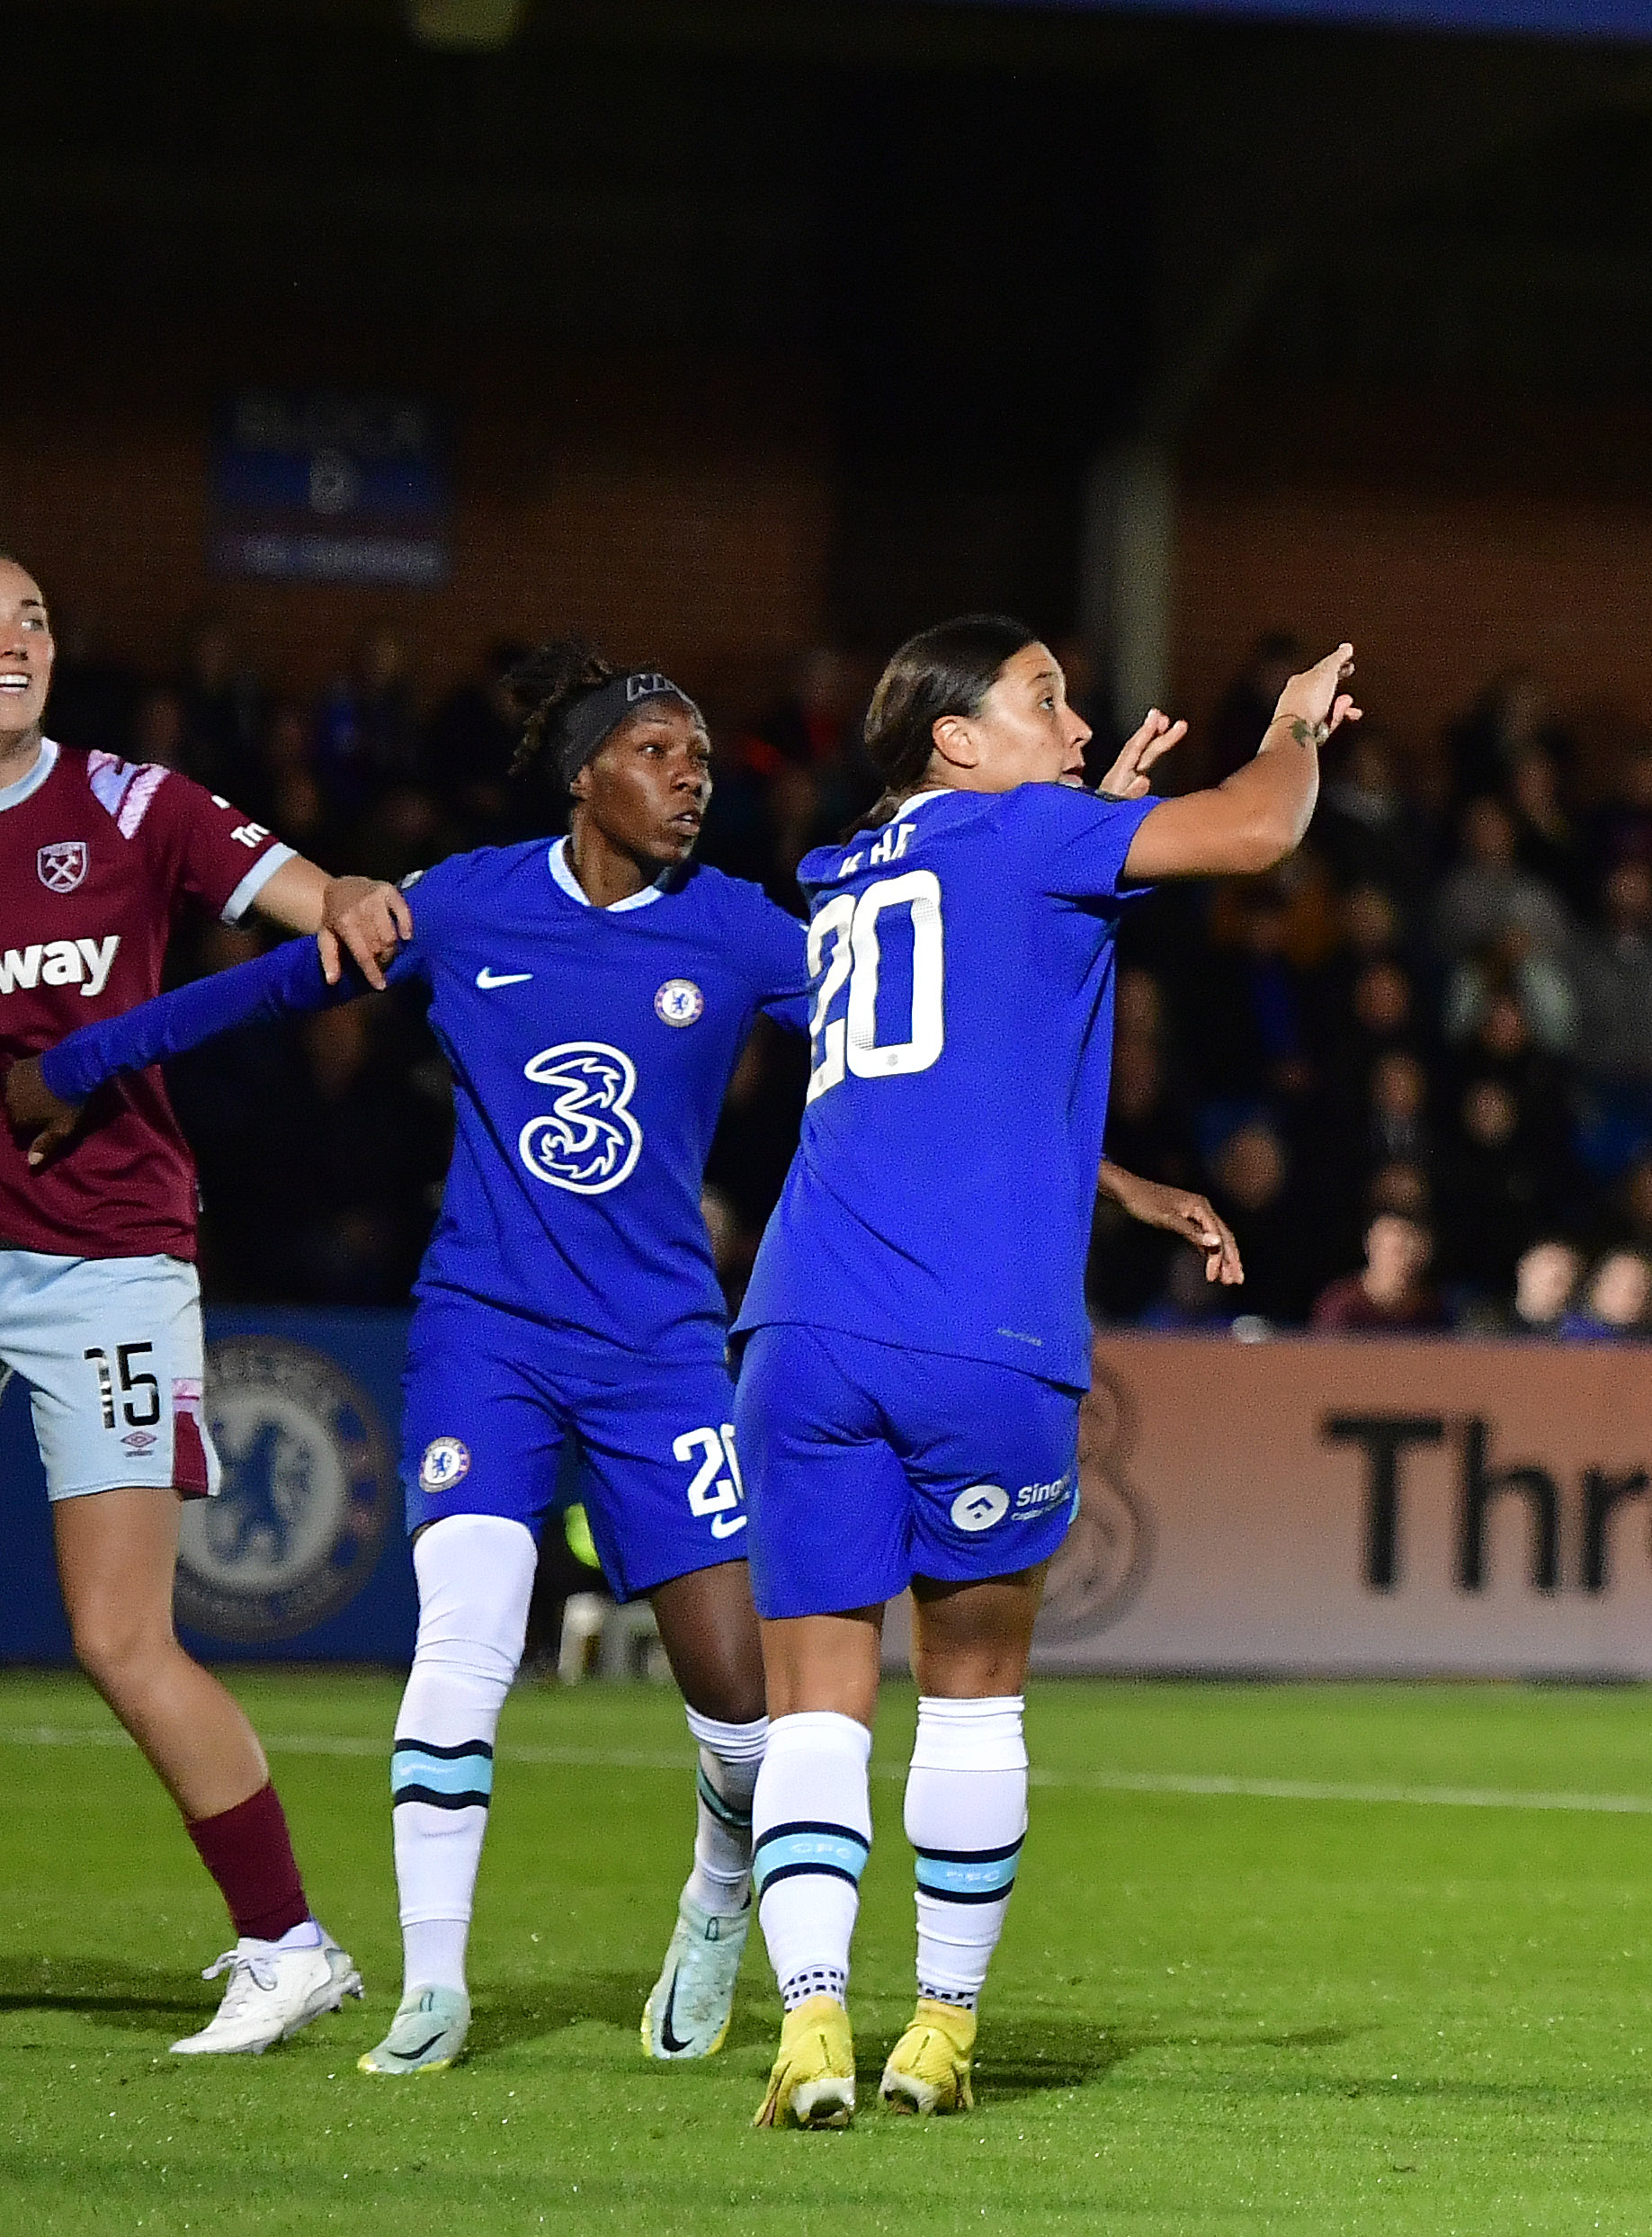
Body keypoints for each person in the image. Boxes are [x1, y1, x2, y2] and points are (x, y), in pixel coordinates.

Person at [21, 640, 1240, 2074]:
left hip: (663, 1348)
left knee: (738, 1702)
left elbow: (921, 1053)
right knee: (462, 1644)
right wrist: (83, 1061)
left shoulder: (735, 929)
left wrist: (1122, 1183)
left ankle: (724, 1883)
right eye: (660, 755)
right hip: (485, 1335)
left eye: (703, 764)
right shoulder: (470, 902)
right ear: (584, 774)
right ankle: (431, 1987)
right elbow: (281, 986)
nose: (689, 780)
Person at [734, 618, 1355, 2129]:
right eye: (1045, 701)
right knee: (971, 1698)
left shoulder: (843, 878)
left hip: (800, 1328)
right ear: (957, 739)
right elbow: (1266, 828)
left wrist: (1122, 1177)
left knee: (816, 1704)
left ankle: (809, 2024)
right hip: (980, 1340)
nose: (1078, 723)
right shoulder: (1032, 840)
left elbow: (951, 1068)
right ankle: (936, 2034)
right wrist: (1294, 728)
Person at [0, 556, 409, 2053]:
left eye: (37, 615)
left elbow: (317, 904)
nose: (17, 640)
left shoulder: (128, 803)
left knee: (120, 1637)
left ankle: (286, 1943)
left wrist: (352, 891)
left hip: (101, 1257)